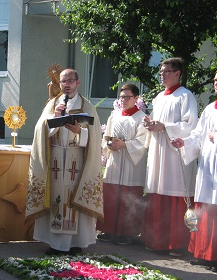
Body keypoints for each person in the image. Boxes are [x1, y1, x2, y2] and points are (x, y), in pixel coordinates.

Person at [26, 68, 103, 255]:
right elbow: (39, 130)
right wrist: (54, 119)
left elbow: (95, 137)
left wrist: (79, 132)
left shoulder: (87, 107)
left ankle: (76, 243)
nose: (66, 84)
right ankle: (57, 244)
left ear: (78, 82)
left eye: (70, 80)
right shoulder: (53, 104)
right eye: (63, 81)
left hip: (77, 159)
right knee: (57, 198)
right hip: (56, 160)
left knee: (74, 197)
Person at [171, 66, 217, 273]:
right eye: (215, 80)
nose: (216, 84)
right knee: (206, 209)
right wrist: (185, 142)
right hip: (208, 169)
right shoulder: (209, 109)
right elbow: (198, 135)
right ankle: (203, 253)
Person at [141, 57, 198, 256]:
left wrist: (165, 127)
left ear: (177, 73)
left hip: (175, 153)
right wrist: (150, 124)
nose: (162, 74)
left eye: (166, 71)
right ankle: (157, 241)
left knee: (174, 194)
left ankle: (177, 244)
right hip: (159, 151)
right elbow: (158, 123)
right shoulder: (159, 97)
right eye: (161, 71)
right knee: (157, 192)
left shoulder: (185, 96)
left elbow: (190, 125)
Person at [97, 84, 147, 245]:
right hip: (115, 162)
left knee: (129, 198)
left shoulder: (141, 118)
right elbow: (107, 137)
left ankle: (127, 233)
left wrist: (125, 145)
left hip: (132, 165)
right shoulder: (114, 116)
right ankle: (108, 230)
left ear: (136, 98)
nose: (123, 100)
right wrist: (109, 145)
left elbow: (143, 142)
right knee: (111, 196)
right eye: (121, 97)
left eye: (127, 97)